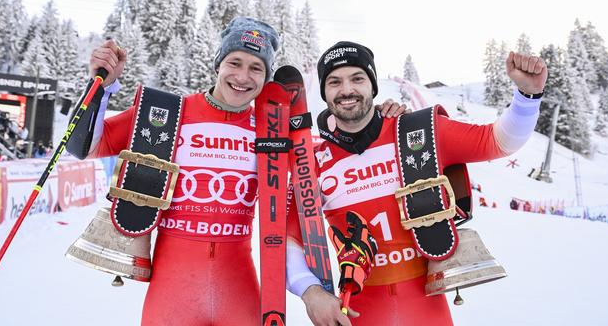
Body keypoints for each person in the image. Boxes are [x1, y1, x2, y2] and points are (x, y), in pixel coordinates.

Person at [67, 19, 405, 325]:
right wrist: (102, 87)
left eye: (256, 68)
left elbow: (333, 150)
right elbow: (85, 146)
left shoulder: (273, 130)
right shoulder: (170, 113)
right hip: (173, 291)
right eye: (235, 63)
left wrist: (386, 120)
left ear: (266, 77)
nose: (243, 77)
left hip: (238, 289)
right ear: (218, 64)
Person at [286, 41, 547, 325]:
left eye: (357, 78)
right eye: (334, 81)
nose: (346, 89)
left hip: (426, 309)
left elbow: (497, 141)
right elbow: (289, 238)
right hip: (359, 311)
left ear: (373, 86)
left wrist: (527, 96)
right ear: (324, 92)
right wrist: (311, 293)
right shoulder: (312, 161)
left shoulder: (416, 132)